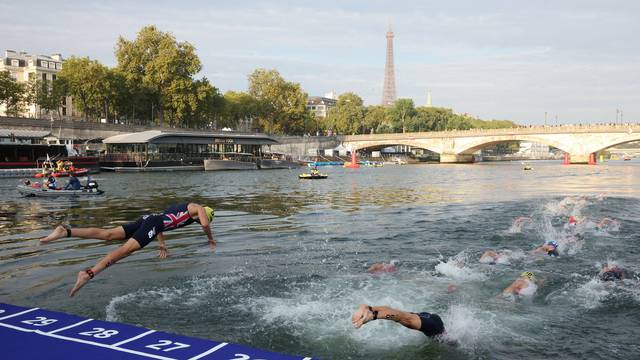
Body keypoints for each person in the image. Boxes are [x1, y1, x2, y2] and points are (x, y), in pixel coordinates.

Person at [40, 202, 215, 297]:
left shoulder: (182, 210)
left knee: (107, 234)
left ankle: (66, 231)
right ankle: (88, 274)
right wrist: (210, 239)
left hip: (149, 220)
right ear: (204, 213)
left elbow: (161, 222)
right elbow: (205, 224)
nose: (199, 221)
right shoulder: (196, 207)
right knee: (125, 250)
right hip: (153, 223)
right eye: (199, 219)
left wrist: (162, 244)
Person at [352, 304, 445, 339]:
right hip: (433, 325)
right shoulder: (442, 336)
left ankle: (370, 309)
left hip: (427, 317)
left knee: (402, 315)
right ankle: (372, 314)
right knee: (401, 316)